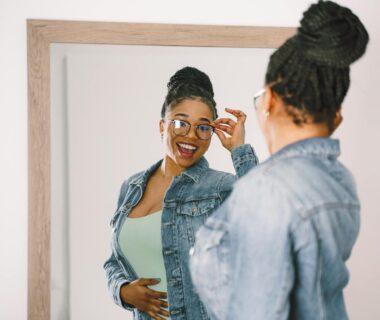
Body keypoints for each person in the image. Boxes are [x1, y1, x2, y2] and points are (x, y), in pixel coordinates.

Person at [189, 1, 369, 319]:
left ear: (269, 99)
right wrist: (240, 151)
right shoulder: (340, 180)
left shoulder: (268, 192)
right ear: (336, 117)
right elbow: (278, 210)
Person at [103, 66, 258, 319]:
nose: (191, 135)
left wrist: (239, 150)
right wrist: (122, 291)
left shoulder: (221, 188)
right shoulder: (130, 188)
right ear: (162, 126)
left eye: (203, 127)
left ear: (212, 132)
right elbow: (113, 261)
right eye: (180, 123)